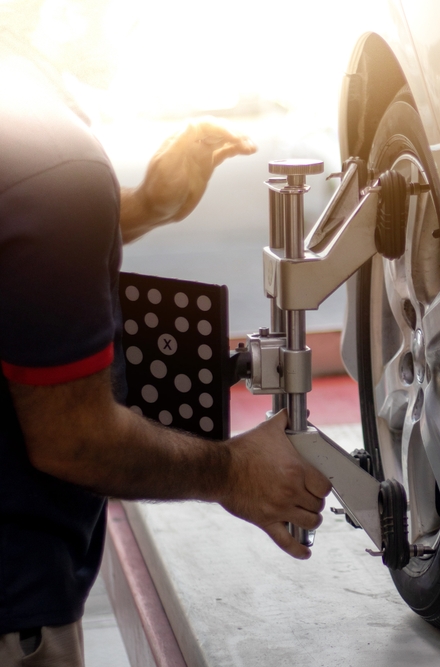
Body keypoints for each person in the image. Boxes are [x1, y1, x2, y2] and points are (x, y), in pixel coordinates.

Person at [0, 2, 332, 664]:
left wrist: (143, 207)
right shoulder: (54, 160)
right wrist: (234, 470)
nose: (135, 20)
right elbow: (74, 440)